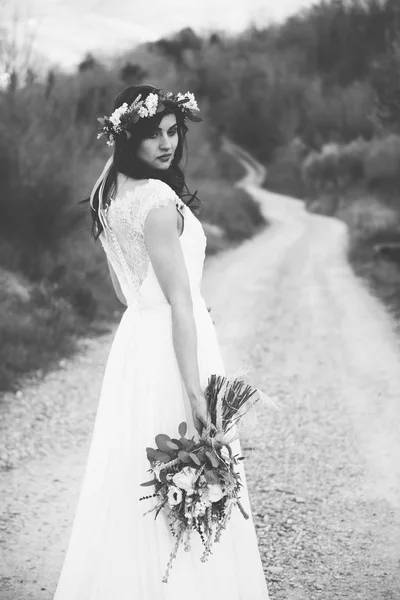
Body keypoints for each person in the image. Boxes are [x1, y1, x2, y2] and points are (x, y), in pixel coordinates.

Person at [53, 84, 269, 599]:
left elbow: (126, 289)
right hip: (174, 350)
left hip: (136, 343)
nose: (166, 143)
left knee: (137, 472)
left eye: (172, 132)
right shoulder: (155, 199)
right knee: (189, 460)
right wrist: (195, 394)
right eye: (152, 134)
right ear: (128, 136)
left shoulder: (110, 193)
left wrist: (176, 304)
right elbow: (178, 302)